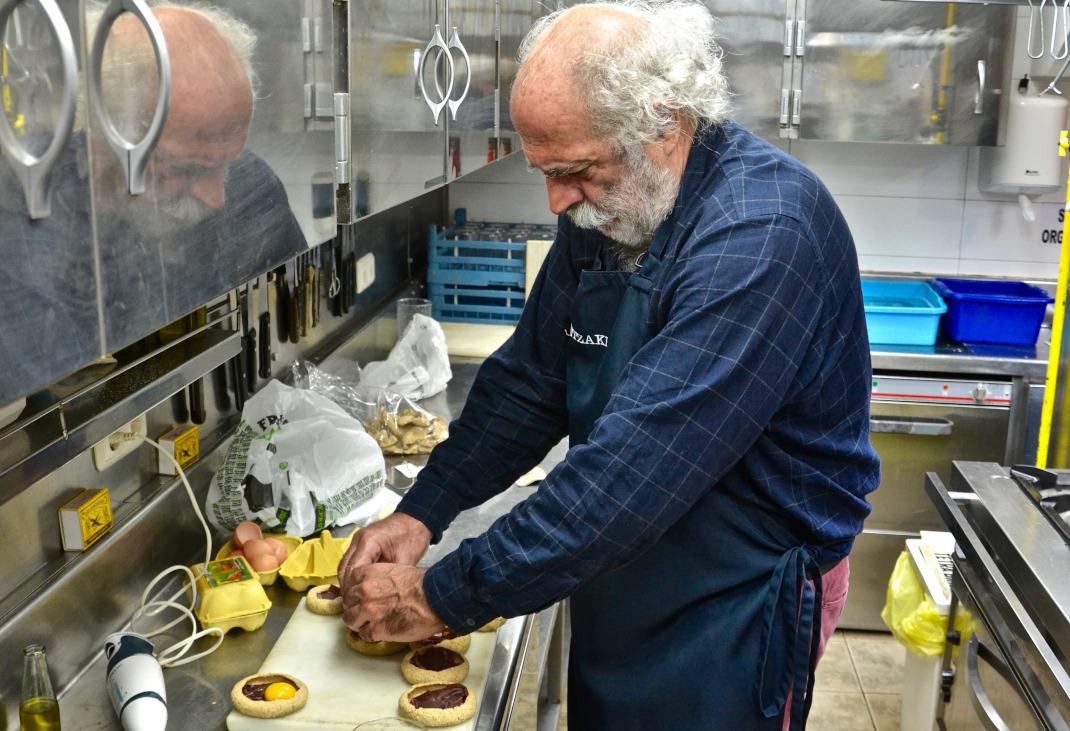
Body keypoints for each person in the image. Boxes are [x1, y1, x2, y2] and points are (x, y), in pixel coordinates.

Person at [337, 2, 880, 729]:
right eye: (546, 171)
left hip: (742, 594)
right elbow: (532, 382)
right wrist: (423, 511)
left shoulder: (762, 234)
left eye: (575, 171)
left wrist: (440, 596)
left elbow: (632, 473)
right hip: (630, 562)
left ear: (662, 124)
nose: (557, 201)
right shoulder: (613, 208)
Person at [0, 3, 305, 401]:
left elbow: (298, 329)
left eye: (226, 163)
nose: (218, 198)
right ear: (105, 137)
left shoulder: (252, 187)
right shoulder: (23, 226)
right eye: (188, 169)